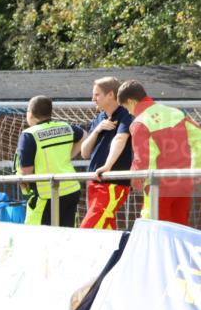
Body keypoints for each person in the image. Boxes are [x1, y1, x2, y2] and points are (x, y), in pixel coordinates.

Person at [117, 80, 199, 225]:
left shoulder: (140, 123)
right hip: (184, 182)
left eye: (125, 107)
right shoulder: (175, 113)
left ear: (131, 101)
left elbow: (142, 160)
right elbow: (198, 138)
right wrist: (195, 172)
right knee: (179, 228)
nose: (128, 112)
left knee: (155, 229)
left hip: (158, 186)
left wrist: (135, 181)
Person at [15, 96, 85, 227]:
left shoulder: (29, 135)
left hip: (46, 194)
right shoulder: (65, 127)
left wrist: (23, 184)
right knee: (66, 235)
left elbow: (26, 172)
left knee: (38, 236)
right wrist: (68, 155)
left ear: (30, 113)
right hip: (71, 190)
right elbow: (84, 135)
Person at [79, 77, 134, 229]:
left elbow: (120, 139)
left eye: (97, 95)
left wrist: (107, 166)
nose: (93, 99)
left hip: (112, 183)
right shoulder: (99, 118)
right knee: (105, 230)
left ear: (110, 94)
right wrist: (97, 130)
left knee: (88, 228)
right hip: (95, 181)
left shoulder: (125, 114)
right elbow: (84, 152)